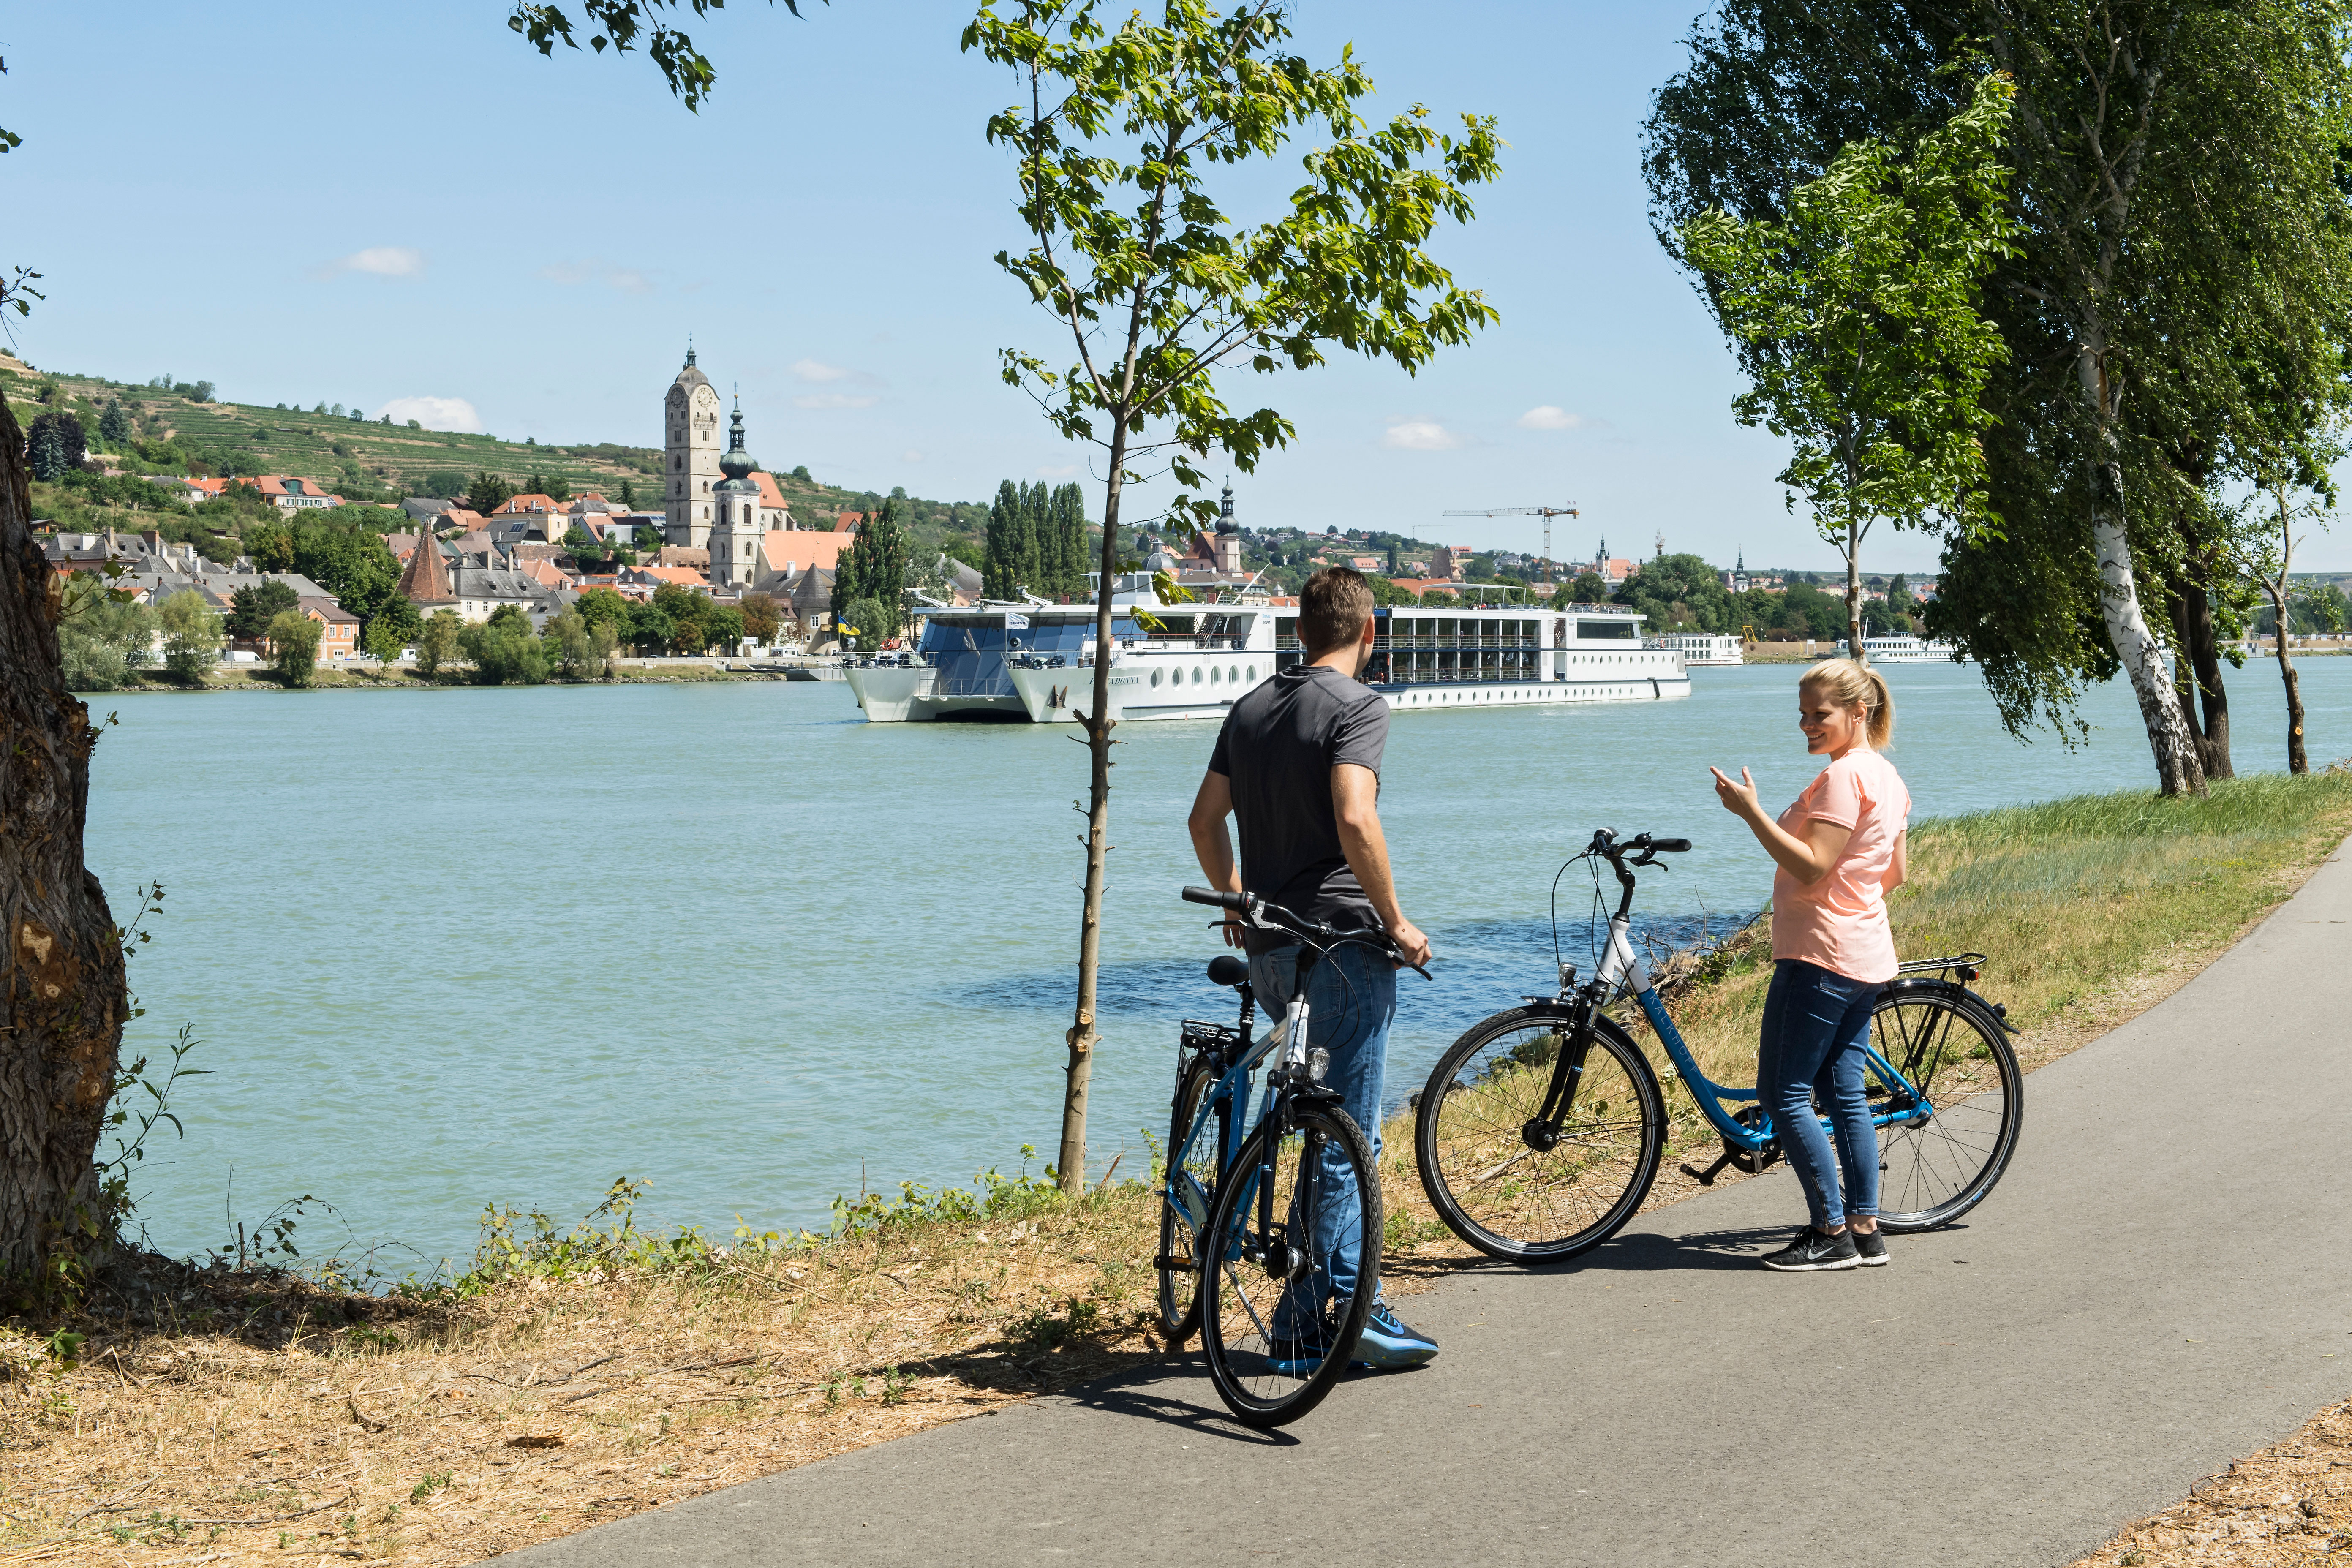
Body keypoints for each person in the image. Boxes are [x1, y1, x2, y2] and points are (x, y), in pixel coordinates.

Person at [1187, 566, 1438, 1369]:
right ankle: (1345, 1307)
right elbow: (1355, 815)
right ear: (1370, 633)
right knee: (1347, 1132)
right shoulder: (1360, 706)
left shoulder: (1252, 706)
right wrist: (1396, 921)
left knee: (1310, 1114)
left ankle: (1301, 1312)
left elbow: (1203, 820)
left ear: (1299, 632)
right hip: (1340, 945)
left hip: (1269, 949)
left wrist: (1235, 898)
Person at [1710, 658, 1910, 1273]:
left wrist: (1752, 814)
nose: (1807, 725)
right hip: (1864, 954)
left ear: (1859, 712)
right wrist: (1853, 901)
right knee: (1843, 1093)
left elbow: (1813, 866)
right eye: (1802, 714)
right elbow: (1895, 874)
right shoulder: (1887, 776)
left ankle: (1829, 1232)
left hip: (1820, 956)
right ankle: (1865, 1228)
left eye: (1819, 714)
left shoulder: (1844, 779)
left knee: (1784, 1093)